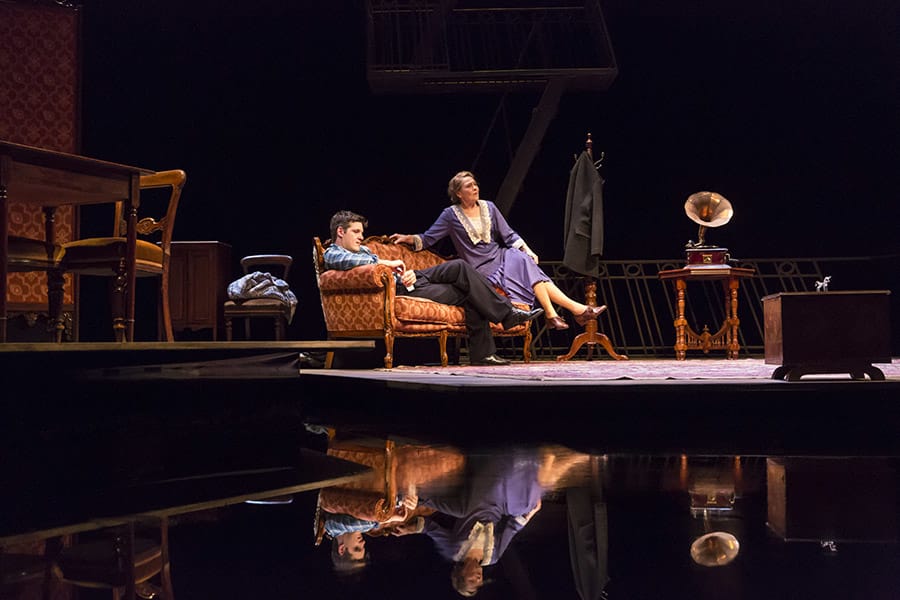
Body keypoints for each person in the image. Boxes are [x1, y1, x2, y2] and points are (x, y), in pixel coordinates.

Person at [390, 170, 607, 331]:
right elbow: (429, 238)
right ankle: (574, 311)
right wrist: (407, 238)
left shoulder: (489, 207)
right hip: (480, 269)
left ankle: (555, 314)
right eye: (468, 186)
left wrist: (528, 250)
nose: (474, 188)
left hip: (500, 256)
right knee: (526, 265)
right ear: (458, 193)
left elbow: (509, 235)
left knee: (522, 258)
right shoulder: (451, 215)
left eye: (475, 184)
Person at [324, 210, 543, 366]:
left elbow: (382, 268)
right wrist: (388, 264)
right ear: (341, 232)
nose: (361, 237)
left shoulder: (363, 250)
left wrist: (404, 273)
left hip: (410, 282)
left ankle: (502, 321)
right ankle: (490, 343)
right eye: (356, 232)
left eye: (361, 232)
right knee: (469, 292)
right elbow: (348, 264)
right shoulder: (333, 252)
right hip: (398, 292)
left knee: (459, 267)